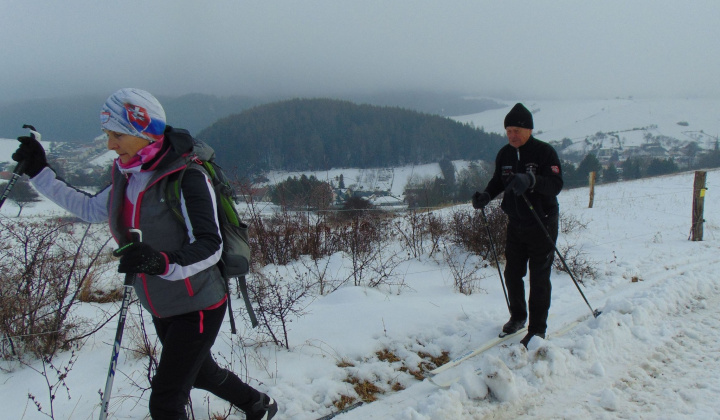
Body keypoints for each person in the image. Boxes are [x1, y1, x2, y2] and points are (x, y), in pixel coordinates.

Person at [11, 88, 278, 420]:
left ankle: (257, 404)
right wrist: (40, 172)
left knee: (165, 402)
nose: (110, 144)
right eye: (108, 135)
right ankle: (258, 404)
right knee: (200, 372)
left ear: (144, 131)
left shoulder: (187, 177)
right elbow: (90, 208)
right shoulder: (130, 175)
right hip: (161, 302)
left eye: (118, 134)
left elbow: (210, 246)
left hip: (198, 304)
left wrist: (160, 261)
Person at [472, 103, 563, 348]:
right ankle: (518, 317)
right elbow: (497, 181)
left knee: (539, 276)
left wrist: (531, 179)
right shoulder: (505, 154)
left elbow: (556, 184)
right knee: (513, 273)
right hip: (516, 223)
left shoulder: (544, 153)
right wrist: (486, 196)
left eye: (517, 130)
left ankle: (537, 329)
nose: (512, 135)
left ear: (529, 129)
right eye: (508, 130)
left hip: (542, 222)